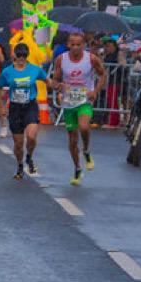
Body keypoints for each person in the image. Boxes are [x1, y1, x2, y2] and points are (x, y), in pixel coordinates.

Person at [50, 32, 107, 185]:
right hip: (69, 102)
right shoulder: (61, 59)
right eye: (72, 44)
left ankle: (87, 150)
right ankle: (77, 168)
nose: (75, 47)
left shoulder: (91, 59)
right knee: (73, 139)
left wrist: (95, 91)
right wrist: (58, 87)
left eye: (78, 44)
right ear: (68, 44)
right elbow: (55, 81)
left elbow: (103, 75)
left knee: (83, 126)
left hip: (84, 100)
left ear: (83, 45)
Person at [0, 44, 48, 180]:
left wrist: (59, 88)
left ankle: (29, 157)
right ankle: (20, 165)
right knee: (18, 144)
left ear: (27, 56)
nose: (21, 59)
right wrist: (1, 106)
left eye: (24, 56)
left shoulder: (35, 69)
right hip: (15, 108)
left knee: (31, 137)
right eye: (19, 55)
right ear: (15, 55)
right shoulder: (7, 71)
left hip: (30, 106)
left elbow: (47, 80)